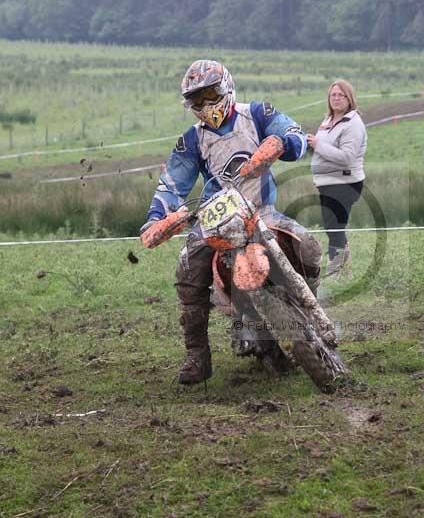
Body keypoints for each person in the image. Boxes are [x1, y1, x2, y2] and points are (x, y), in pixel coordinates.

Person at [140, 60, 321, 386]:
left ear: (226, 88)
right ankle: (197, 354)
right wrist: (156, 218)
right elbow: (172, 184)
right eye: (198, 99)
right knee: (188, 269)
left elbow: (292, 130)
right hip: (213, 218)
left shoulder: (258, 114)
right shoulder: (192, 140)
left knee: (307, 245)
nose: (206, 104)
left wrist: (282, 142)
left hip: (261, 210)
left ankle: (309, 305)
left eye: (211, 94)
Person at [307, 80, 367, 277]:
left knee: (334, 228)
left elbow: (346, 157)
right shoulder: (328, 121)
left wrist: (317, 145)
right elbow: (324, 149)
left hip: (345, 183)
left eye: (341, 95)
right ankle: (344, 268)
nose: (336, 98)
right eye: (333, 95)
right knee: (333, 227)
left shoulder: (353, 124)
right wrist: (310, 145)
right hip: (327, 183)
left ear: (349, 99)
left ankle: (334, 272)